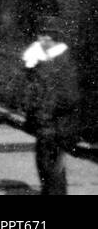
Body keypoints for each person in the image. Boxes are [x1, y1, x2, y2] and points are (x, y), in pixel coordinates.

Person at [22, 17, 79, 195]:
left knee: (52, 166)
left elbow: (70, 96)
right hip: (43, 124)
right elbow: (32, 87)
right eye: (41, 35)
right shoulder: (38, 58)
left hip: (56, 125)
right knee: (45, 165)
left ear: (55, 38)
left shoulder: (62, 60)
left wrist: (46, 110)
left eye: (48, 36)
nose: (42, 40)